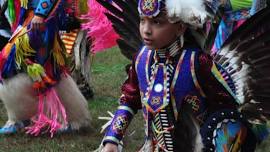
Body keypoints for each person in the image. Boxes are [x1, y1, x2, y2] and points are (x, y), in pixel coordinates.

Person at [101, 0, 260, 151]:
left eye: (157, 22)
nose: (146, 30)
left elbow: (225, 108)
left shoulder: (196, 63)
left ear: (180, 28)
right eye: (142, 20)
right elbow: (129, 99)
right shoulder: (141, 60)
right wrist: (112, 138)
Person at [0, 0, 90, 136]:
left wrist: (40, 14)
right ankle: (74, 118)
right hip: (30, 16)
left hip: (40, 19)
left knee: (9, 60)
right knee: (49, 68)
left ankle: (21, 118)